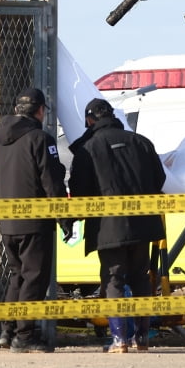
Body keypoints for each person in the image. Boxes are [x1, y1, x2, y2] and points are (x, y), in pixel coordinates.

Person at [68, 97, 167, 353]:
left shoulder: (87, 148)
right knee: (140, 279)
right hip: (142, 224)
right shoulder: (141, 142)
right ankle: (142, 339)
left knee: (113, 279)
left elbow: (78, 191)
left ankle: (120, 339)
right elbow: (160, 178)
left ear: (90, 120)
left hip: (107, 228)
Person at [0, 86, 69, 353]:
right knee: (34, 277)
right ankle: (24, 336)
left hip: (7, 220)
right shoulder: (41, 138)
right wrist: (64, 217)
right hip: (34, 221)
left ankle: (8, 330)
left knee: (17, 276)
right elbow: (51, 180)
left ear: (16, 110)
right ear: (40, 110)